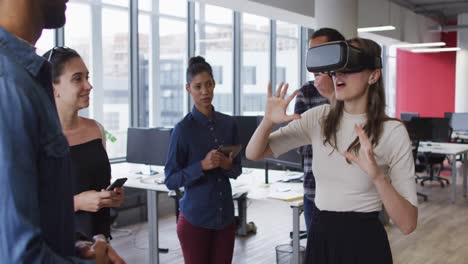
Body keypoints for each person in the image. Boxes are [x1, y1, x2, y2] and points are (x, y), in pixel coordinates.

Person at [246, 38, 418, 263]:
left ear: (373, 75)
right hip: (321, 237)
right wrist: (268, 121)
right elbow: (254, 153)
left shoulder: (392, 132)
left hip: (364, 243)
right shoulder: (319, 118)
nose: (338, 76)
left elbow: (407, 224)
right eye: (336, 70)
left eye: (348, 69)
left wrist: (377, 176)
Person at [0, 0, 115, 263]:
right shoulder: (8, 84)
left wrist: (75, 248)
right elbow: (16, 256)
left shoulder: (25, 79)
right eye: (77, 78)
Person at [43, 47, 125, 262]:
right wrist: (77, 202)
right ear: (54, 88)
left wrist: (110, 198)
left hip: (99, 244)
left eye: (87, 77)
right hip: (58, 249)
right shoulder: (38, 138)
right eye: (77, 79)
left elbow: (98, 184)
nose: (88, 86)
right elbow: (28, 207)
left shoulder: (96, 129)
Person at [165, 56, 242, 264]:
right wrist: (202, 166)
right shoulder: (182, 129)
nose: (205, 91)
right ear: (188, 88)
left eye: (208, 84)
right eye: (198, 86)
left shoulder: (229, 124)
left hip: (225, 217)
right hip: (194, 219)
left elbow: (237, 170)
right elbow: (171, 179)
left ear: (214, 84)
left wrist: (228, 166)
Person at [294, 28, 345, 234]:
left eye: (320, 52)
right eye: (311, 53)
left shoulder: (352, 89)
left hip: (347, 197)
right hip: (314, 193)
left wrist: (332, 93)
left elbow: (352, 140)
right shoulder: (306, 92)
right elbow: (300, 146)